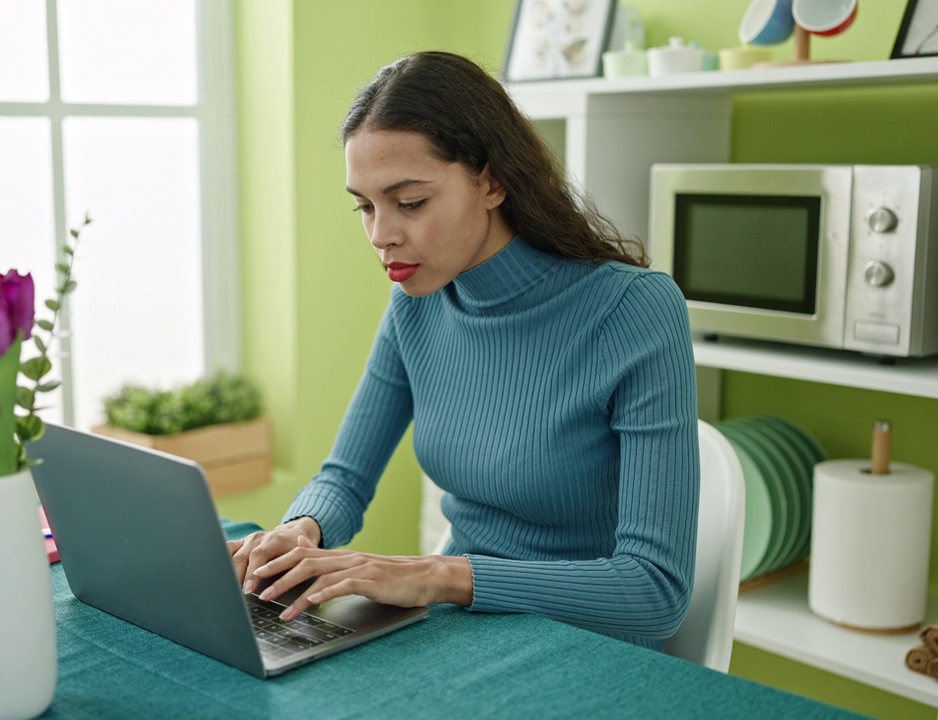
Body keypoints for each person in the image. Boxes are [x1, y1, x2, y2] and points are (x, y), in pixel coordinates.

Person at [228, 51, 699, 651]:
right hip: (461, 632)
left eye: (411, 202)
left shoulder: (635, 309)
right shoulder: (417, 302)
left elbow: (653, 594)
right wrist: (302, 529)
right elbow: (345, 478)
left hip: (586, 648)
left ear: (493, 180)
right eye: (365, 205)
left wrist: (436, 574)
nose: (381, 235)